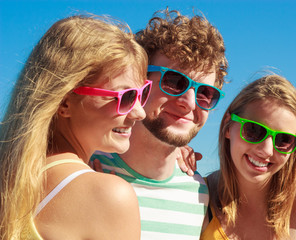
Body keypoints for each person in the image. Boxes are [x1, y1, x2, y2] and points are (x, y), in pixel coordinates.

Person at [0, 15, 152, 239]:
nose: (140, 113)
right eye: (126, 96)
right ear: (64, 103)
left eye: (143, 93)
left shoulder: (9, 179)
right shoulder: (110, 195)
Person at [91, 8, 228, 239]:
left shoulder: (200, 195)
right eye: (175, 81)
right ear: (140, 81)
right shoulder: (85, 169)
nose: (189, 103)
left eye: (205, 93)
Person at [200, 74, 296, 239]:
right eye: (254, 130)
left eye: (284, 140)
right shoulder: (198, 196)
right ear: (228, 126)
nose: (267, 150)